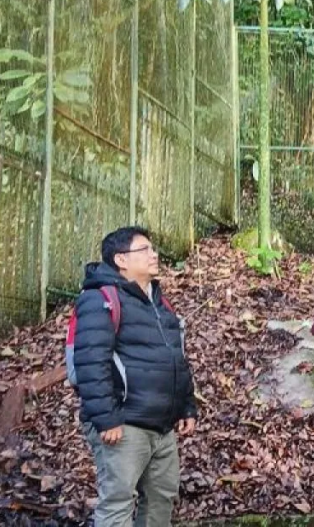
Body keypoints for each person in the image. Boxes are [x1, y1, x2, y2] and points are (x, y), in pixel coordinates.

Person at [71, 226, 198, 527]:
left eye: (153, 249)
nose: (154, 255)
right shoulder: (98, 299)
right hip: (124, 425)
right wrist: (107, 418)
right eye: (145, 250)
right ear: (121, 260)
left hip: (162, 426)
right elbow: (91, 361)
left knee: (161, 500)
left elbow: (176, 358)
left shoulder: (159, 303)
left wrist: (186, 406)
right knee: (117, 502)